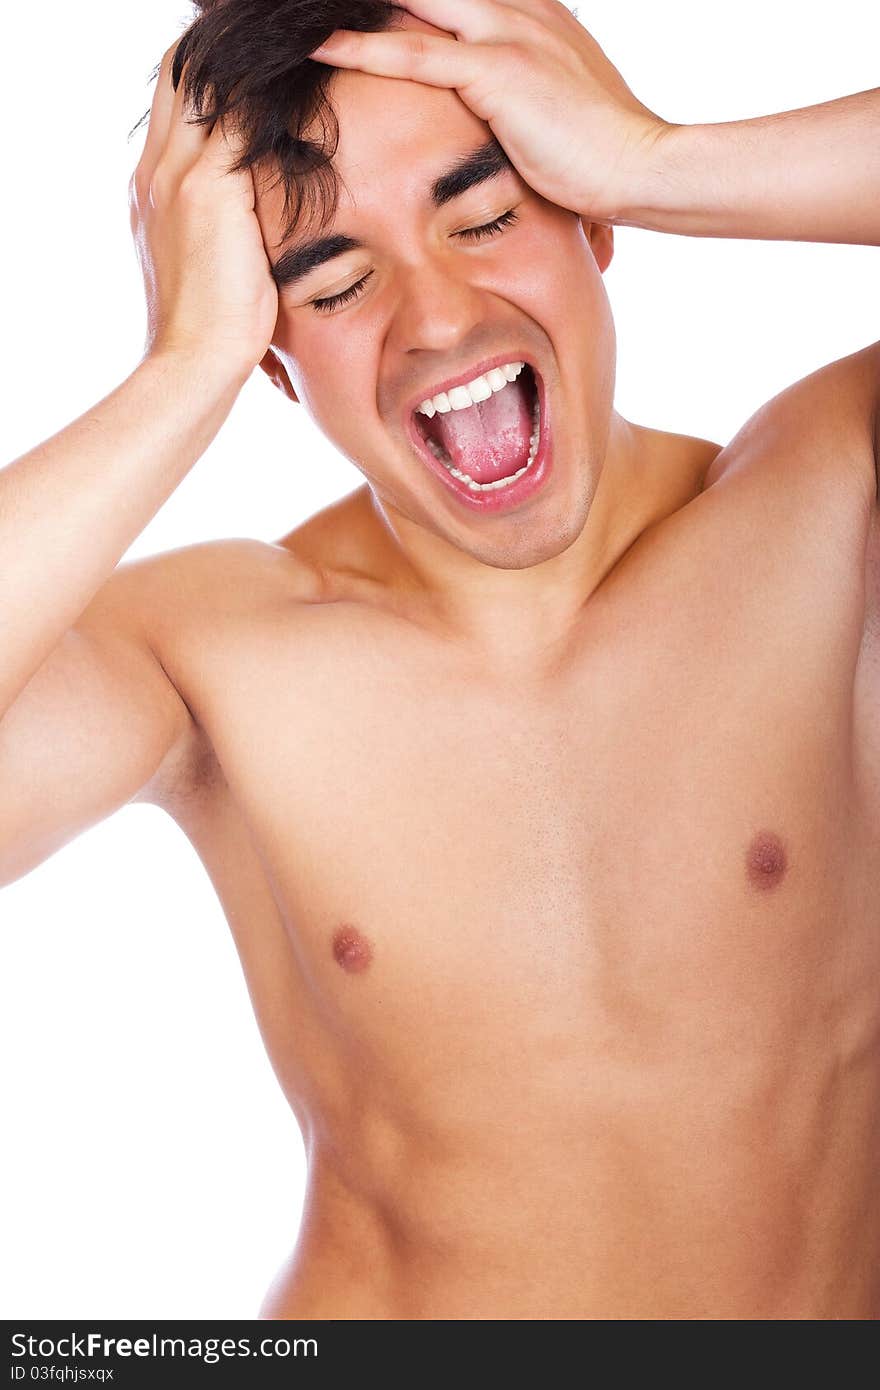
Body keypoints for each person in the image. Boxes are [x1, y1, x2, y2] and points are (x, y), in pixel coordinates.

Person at [1, 0, 878, 1320]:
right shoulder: (210, 652)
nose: (435, 314)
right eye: (336, 286)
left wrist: (660, 157)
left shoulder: (830, 499)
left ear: (592, 225)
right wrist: (182, 369)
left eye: (482, 218)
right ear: (279, 363)